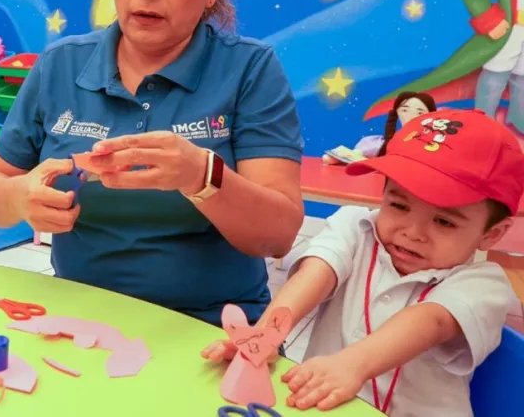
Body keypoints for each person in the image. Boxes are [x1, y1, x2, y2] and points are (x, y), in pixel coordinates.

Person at [0, 0, 305, 326]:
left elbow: (278, 236)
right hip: (76, 322)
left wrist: (200, 175)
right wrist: (18, 199)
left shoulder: (250, 70)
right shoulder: (60, 65)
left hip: (211, 330)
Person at [203, 108, 522, 415]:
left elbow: (432, 320)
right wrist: (266, 336)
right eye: (398, 205)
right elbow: (317, 271)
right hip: (322, 407)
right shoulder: (357, 226)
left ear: (493, 234)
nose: (412, 232)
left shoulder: (484, 285)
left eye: (444, 222)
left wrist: (351, 365)